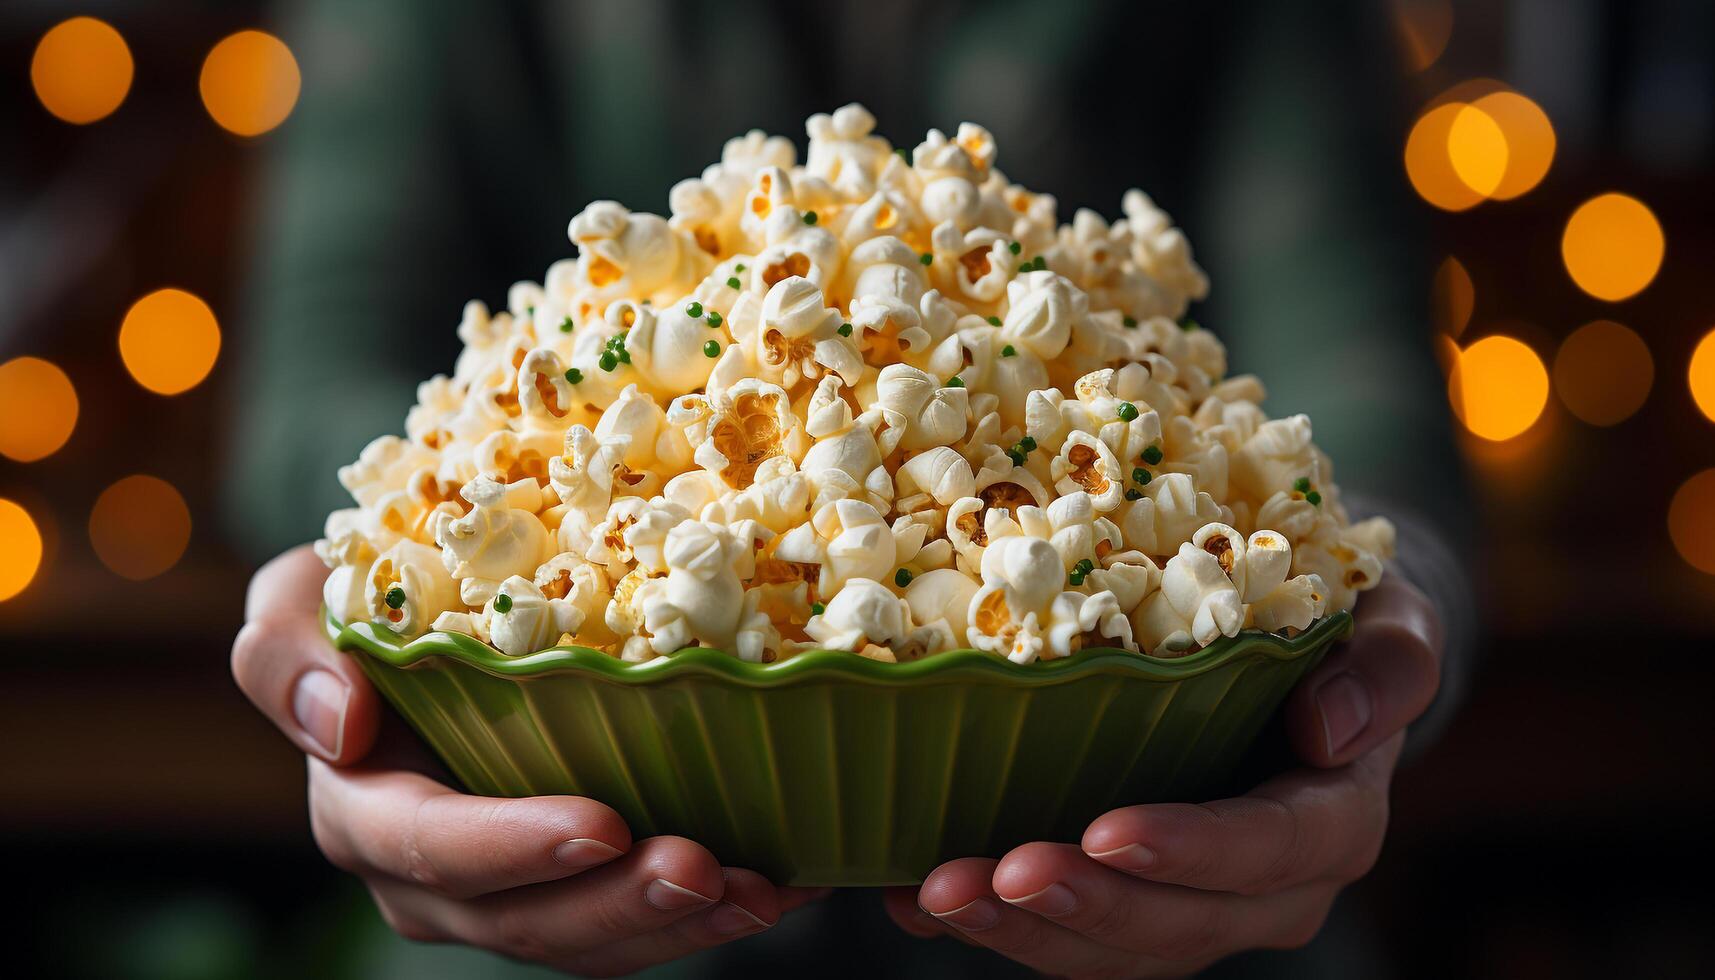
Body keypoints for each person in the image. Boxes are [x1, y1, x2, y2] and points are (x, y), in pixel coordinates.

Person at [228, 1, 1474, 974]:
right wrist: (369, 606)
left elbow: (1366, 416)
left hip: (1174, 902)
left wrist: (1382, 633)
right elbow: (308, 395)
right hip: (548, 902)